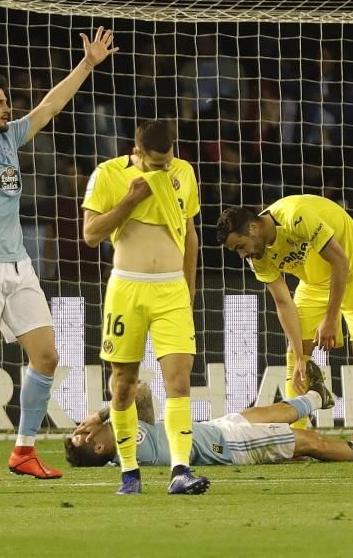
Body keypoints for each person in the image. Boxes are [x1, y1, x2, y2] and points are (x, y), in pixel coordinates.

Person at [0, 26, 117, 482]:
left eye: (7, 102)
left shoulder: (8, 139)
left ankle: (23, 451)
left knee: (46, 356)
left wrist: (87, 64)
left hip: (19, 266)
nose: (9, 108)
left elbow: (50, 106)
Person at [81, 119, 208, 495]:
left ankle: (180, 471)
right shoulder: (108, 174)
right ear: (136, 153)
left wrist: (189, 288)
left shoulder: (184, 172)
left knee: (180, 379)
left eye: (167, 162)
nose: (163, 169)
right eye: (154, 165)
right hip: (127, 290)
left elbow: (190, 236)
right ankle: (130, 473)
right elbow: (90, 234)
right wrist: (130, 200)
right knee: (123, 385)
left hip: (171, 291)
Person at [216, 195, 353, 444]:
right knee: (298, 358)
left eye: (240, 246)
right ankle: (298, 435)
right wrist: (298, 357)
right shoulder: (258, 257)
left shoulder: (296, 216)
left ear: (253, 228)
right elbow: (283, 303)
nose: (242, 255)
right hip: (315, 283)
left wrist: (330, 319)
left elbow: (340, 261)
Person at [65, 370, 353, 469]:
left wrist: (100, 414)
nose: (85, 427)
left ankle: (316, 397)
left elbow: (140, 390)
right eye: (83, 435)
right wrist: (100, 413)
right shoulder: (127, 448)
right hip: (228, 447)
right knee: (310, 442)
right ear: (98, 446)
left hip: (217, 427)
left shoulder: (126, 428)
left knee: (272, 411)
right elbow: (131, 392)